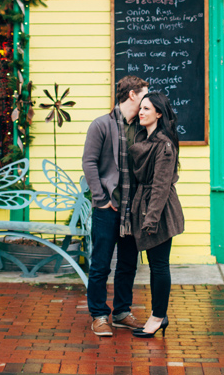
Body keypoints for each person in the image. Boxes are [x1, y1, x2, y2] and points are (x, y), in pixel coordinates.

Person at [82, 75, 149, 337]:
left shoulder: (144, 128)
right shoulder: (101, 125)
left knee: (128, 264)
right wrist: (101, 199)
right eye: (145, 93)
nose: (148, 98)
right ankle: (99, 315)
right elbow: (89, 163)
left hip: (134, 209)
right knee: (100, 264)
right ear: (132, 94)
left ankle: (122, 312)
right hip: (107, 208)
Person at [129, 92, 185, 338]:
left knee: (159, 266)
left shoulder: (164, 145)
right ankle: (158, 314)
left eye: (147, 109)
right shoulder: (145, 140)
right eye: (140, 108)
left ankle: (158, 317)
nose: (141, 112)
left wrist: (150, 220)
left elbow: (161, 186)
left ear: (159, 114)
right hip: (145, 207)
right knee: (155, 266)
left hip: (159, 211)